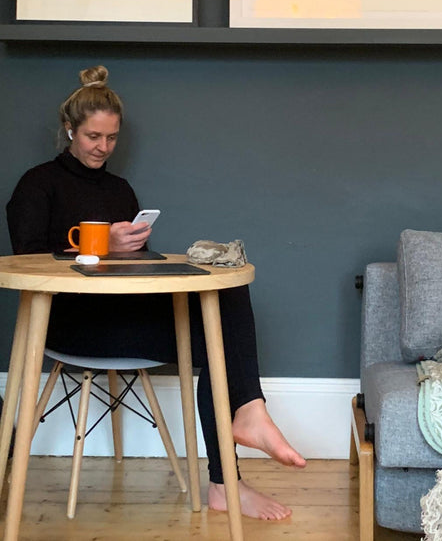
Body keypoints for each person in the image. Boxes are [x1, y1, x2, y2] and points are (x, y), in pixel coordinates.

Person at [6, 65, 306, 521]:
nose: (102, 148)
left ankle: (234, 460)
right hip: (72, 326)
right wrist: (102, 244)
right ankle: (241, 441)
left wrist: (133, 251)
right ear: (70, 129)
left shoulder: (119, 189)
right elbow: (25, 260)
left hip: (124, 317)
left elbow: (132, 275)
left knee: (225, 298)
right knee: (219, 331)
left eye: (111, 138)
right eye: (92, 137)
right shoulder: (38, 183)